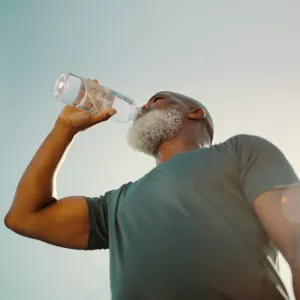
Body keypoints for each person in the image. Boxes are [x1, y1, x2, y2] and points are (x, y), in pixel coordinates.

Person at [4, 80, 300, 300]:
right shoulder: (115, 204)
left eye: (157, 99)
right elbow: (25, 217)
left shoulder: (241, 151)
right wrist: (64, 128)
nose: (143, 106)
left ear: (195, 113)